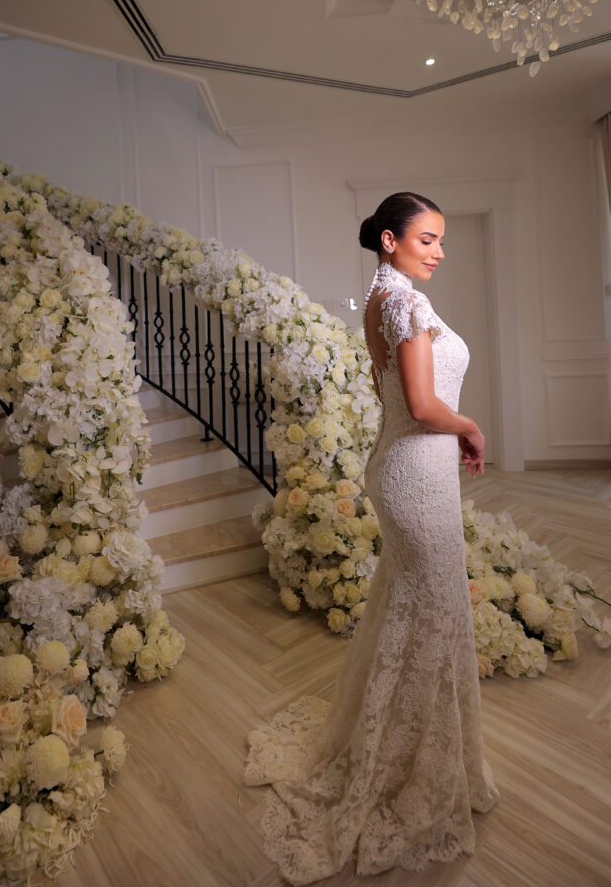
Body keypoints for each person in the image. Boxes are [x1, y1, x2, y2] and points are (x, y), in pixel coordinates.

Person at [244, 191, 499, 884]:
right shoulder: (405, 304)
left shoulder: (382, 299)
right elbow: (419, 405)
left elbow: (397, 396)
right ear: (389, 240)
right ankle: (402, 774)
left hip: (408, 466)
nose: (439, 251)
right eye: (427, 240)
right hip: (417, 471)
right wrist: (470, 426)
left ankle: (405, 755)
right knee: (433, 613)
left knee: (416, 612)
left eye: (442, 240)